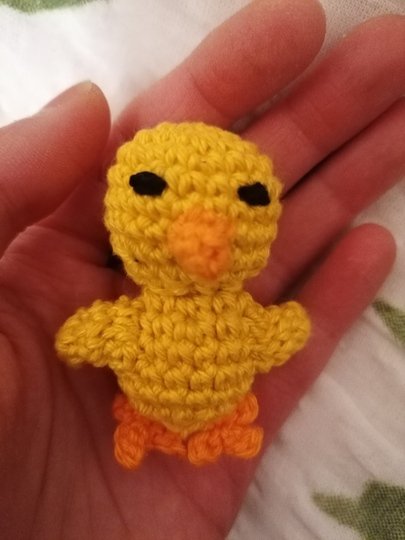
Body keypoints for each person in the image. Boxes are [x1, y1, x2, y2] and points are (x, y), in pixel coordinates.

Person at [0, 0, 404, 538]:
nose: (203, 234)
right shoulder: (145, 313)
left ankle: (205, 423)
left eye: (244, 199)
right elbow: (105, 332)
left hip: (219, 409)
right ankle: (158, 423)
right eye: (154, 189)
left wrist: (276, 330)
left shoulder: (224, 311)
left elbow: (260, 335)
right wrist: (87, 334)